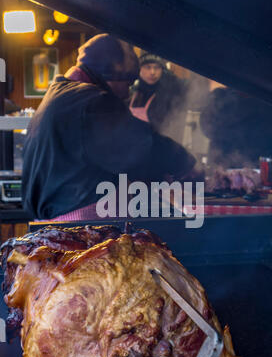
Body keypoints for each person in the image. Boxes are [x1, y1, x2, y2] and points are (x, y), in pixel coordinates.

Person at [22, 34, 196, 220]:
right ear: (111, 76)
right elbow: (140, 146)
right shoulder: (93, 101)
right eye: (128, 83)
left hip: (55, 223)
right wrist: (185, 163)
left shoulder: (61, 94)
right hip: (83, 226)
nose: (126, 93)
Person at [199, 86, 272, 169]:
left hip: (256, 162)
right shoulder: (222, 98)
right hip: (226, 162)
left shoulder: (262, 101)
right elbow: (207, 127)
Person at [129, 53, 189, 144]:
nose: (152, 72)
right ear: (140, 69)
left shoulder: (168, 93)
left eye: (157, 68)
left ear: (162, 70)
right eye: (148, 67)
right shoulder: (133, 91)